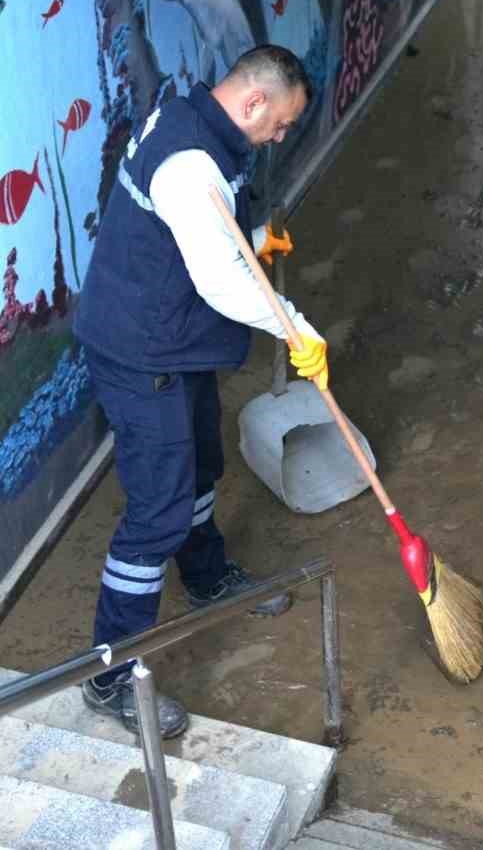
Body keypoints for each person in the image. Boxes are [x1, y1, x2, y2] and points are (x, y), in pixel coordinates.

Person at [72, 45, 329, 738]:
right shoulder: (190, 164)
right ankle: (110, 674)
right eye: (279, 124)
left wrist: (250, 235)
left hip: (170, 335)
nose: (280, 136)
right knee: (156, 511)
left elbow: (201, 231)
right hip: (140, 347)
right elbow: (218, 279)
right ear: (252, 103)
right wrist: (299, 333)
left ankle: (207, 575)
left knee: (203, 465)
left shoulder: (192, 116)